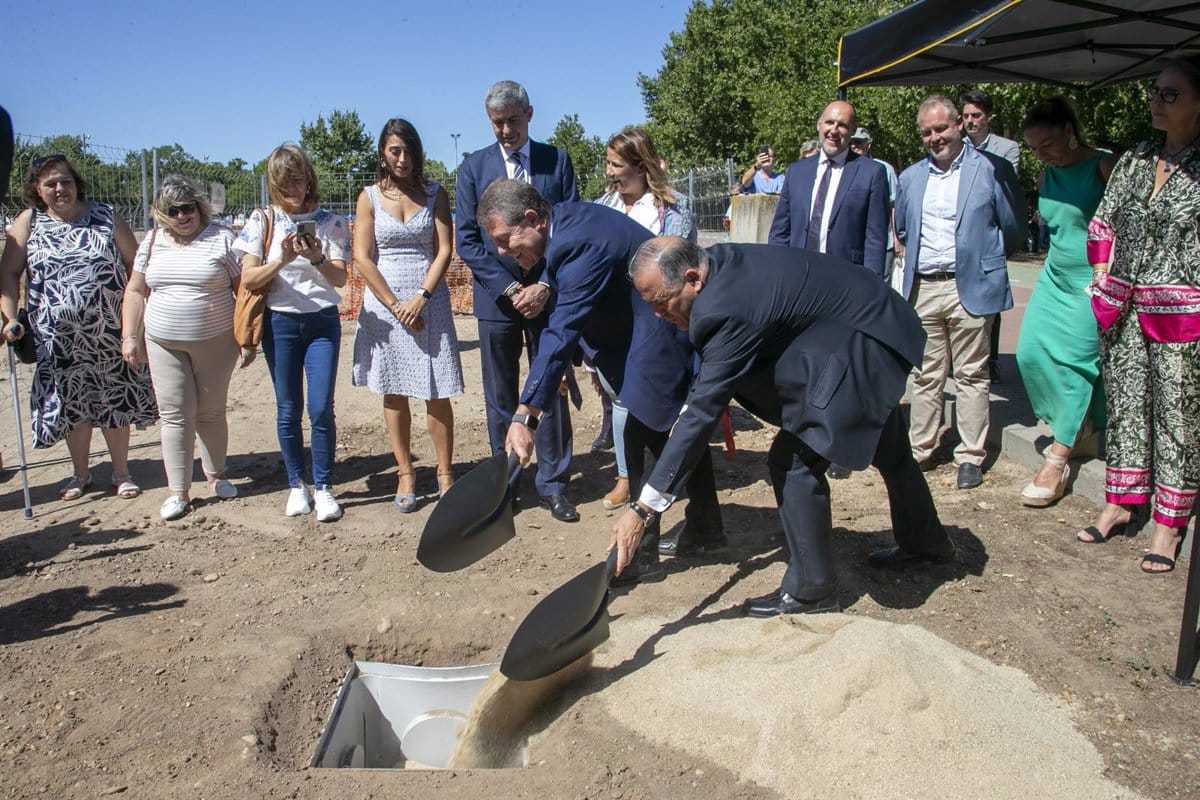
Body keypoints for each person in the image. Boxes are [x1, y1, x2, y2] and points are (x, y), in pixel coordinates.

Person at [611, 238, 955, 615]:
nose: (658, 314)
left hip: (865, 338)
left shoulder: (721, 308)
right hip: (869, 321)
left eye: (661, 301)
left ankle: (812, 591)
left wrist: (643, 509)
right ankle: (927, 544)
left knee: (793, 462)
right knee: (891, 449)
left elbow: (703, 413)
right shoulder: (718, 265)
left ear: (693, 278)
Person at [482, 180, 724, 584]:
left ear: (532, 219)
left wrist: (525, 414)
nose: (503, 252)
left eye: (505, 240)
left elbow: (563, 327)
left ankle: (641, 556)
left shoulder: (577, 242)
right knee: (665, 433)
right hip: (641, 330)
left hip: (660, 329)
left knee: (643, 433)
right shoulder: (565, 226)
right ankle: (707, 528)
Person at [1080, 55, 1200, 573]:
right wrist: (1101, 275)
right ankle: (1121, 502)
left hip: (1181, 314)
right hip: (1123, 309)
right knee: (1126, 405)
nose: (1157, 101)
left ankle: (1169, 524)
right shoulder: (1136, 157)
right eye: (1155, 90)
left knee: (1177, 416)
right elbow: (1103, 221)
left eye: (1171, 93)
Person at [455, 80, 581, 523]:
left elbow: (569, 226)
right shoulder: (473, 168)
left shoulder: (556, 161)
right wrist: (508, 288)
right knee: (500, 394)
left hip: (547, 297)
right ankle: (504, 485)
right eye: (497, 123)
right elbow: (468, 241)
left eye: (512, 120)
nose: (505, 130)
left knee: (551, 386)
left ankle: (554, 483)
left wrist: (545, 283)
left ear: (529, 114)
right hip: (497, 300)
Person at [0, 155, 157, 500]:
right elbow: (9, 274)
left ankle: (121, 472)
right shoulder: (29, 222)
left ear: (77, 183)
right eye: (51, 183)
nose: (60, 189)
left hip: (109, 332)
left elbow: (136, 265)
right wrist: (10, 317)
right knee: (73, 403)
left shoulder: (105, 216)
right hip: (57, 339)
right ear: (37, 189)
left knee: (114, 398)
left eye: (65, 181)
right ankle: (80, 474)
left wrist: (138, 319)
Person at [895, 95, 1026, 490]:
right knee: (925, 374)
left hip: (970, 285)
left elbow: (1012, 226)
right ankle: (920, 450)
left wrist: (988, 260)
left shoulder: (990, 169)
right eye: (927, 132)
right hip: (924, 288)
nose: (935, 138)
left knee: (971, 374)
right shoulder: (910, 178)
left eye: (941, 129)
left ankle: (970, 455)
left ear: (958, 126)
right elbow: (904, 229)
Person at [351, 119, 463, 512]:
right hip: (385, 306)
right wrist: (395, 305)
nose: (402, 158)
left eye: (408, 150)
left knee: (437, 390)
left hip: (430, 301)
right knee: (394, 391)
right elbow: (363, 257)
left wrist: (421, 297)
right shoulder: (368, 197)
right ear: (383, 153)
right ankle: (405, 472)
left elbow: (444, 249)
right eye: (395, 151)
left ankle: (445, 473)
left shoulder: (435, 194)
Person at [234, 144, 350, 522]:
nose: (292, 190)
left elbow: (340, 279)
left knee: (320, 407)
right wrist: (281, 260)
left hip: (322, 322)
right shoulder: (262, 220)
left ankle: (324, 486)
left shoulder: (331, 222)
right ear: (273, 185)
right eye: (284, 184)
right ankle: (296, 484)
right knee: (288, 408)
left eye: (298, 181)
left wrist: (317, 257)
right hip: (279, 323)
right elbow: (249, 278)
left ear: (308, 179)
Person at [120, 176, 243, 521]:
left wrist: (249, 337)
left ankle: (217, 475)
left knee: (210, 412)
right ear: (161, 213)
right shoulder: (152, 242)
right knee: (174, 414)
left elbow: (243, 289)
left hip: (216, 341)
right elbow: (135, 290)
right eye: (172, 210)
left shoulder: (222, 238)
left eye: (187, 208)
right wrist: (129, 336)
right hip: (163, 342)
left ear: (199, 207)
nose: (182, 216)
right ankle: (179, 491)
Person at [1015, 98, 1116, 508]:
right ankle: (1081, 430)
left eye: (1047, 145)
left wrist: (1110, 276)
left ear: (1069, 133)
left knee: (1075, 363)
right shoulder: (1046, 176)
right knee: (1029, 352)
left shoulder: (1104, 167)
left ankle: (1057, 460)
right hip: (1054, 277)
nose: (1041, 154)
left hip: (1093, 280)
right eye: (1033, 148)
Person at [594, 127, 698, 513]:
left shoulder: (673, 209)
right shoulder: (603, 206)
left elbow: (678, 259)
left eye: (616, 164)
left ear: (641, 166)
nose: (609, 172)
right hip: (618, 319)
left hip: (660, 317)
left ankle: (665, 477)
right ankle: (626, 477)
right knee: (623, 397)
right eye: (608, 163)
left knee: (662, 400)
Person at [768, 101, 891, 280]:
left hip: (845, 281)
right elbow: (780, 233)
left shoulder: (871, 173)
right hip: (797, 278)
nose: (834, 130)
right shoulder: (796, 172)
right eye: (829, 122)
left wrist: (871, 286)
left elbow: (875, 241)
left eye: (842, 125)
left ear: (852, 130)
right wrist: (775, 274)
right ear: (819, 125)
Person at [961, 89, 1022, 384]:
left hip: (990, 232)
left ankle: (992, 359)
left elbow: (1006, 187)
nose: (970, 121)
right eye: (966, 116)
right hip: (961, 234)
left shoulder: (1007, 149)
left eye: (976, 115)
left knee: (990, 301)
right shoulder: (954, 145)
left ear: (989, 117)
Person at [848, 127, 902, 285]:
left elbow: (894, 206)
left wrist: (897, 239)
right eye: (851, 142)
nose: (854, 146)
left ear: (868, 144)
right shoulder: (844, 169)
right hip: (854, 242)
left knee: (880, 284)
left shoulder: (884, 169)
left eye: (858, 142)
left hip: (883, 242)